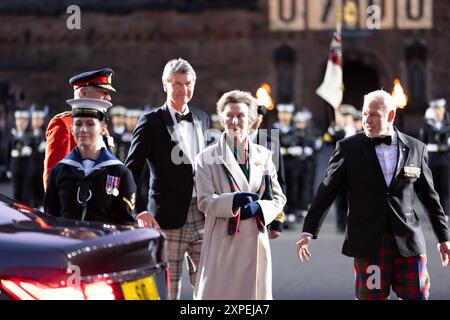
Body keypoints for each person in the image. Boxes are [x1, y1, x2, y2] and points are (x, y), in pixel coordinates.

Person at [296, 90, 450, 300]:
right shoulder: (348, 148)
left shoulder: (416, 148)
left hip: (408, 239)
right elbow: (327, 190)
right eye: (364, 114)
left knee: (418, 296)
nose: (367, 120)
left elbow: (430, 198)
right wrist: (308, 230)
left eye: (374, 114)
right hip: (368, 241)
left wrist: (443, 237)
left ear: (391, 116)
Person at [125, 58, 209, 300]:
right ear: (165, 86)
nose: (183, 89)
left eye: (188, 83)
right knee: (169, 289)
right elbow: (131, 170)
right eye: (177, 84)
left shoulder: (203, 118)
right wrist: (139, 210)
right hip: (165, 217)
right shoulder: (150, 122)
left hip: (202, 213)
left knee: (208, 284)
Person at [194, 90, 286, 300]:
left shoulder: (264, 155)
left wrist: (261, 208)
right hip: (223, 237)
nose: (234, 121)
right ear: (221, 118)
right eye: (229, 115)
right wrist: (231, 202)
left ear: (251, 120)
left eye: (241, 116)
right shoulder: (205, 158)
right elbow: (204, 201)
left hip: (255, 235)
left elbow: (279, 197)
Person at [44, 98, 136, 225]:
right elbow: (50, 220)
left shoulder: (119, 173)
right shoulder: (58, 171)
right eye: (78, 124)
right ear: (71, 128)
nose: (83, 129)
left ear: (103, 128)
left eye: (90, 124)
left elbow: (126, 226)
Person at [43, 68, 116, 190]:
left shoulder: (102, 127)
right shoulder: (63, 124)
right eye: (103, 92)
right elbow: (53, 176)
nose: (108, 97)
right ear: (83, 93)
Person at [250, 104, 286, 239]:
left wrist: (277, 221)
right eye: (253, 114)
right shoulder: (232, 140)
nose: (256, 118)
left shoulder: (270, 140)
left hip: (263, 208)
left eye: (260, 115)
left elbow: (279, 180)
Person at [420, 98, 450, 222]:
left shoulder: (448, 125)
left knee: (445, 188)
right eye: (436, 109)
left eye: (440, 109)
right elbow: (422, 142)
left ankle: (445, 212)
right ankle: (434, 211)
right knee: (434, 189)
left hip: (445, 160)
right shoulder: (428, 125)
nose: (438, 111)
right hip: (432, 160)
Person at [6, 110, 32, 203]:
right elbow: (7, 152)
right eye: (19, 120)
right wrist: (8, 168)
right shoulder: (12, 134)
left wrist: (30, 150)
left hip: (27, 167)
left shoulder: (30, 134)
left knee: (26, 192)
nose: (21, 123)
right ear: (16, 121)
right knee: (16, 191)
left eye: (23, 120)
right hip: (15, 166)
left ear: (27, 122)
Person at [28, 109, 47, 209]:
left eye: (39, 119)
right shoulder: (28, 134)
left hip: (42, 168)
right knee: (31, 192)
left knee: (42, 190)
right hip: (30, 169)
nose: (36, 121)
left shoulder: (45, 135)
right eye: (35, 119)